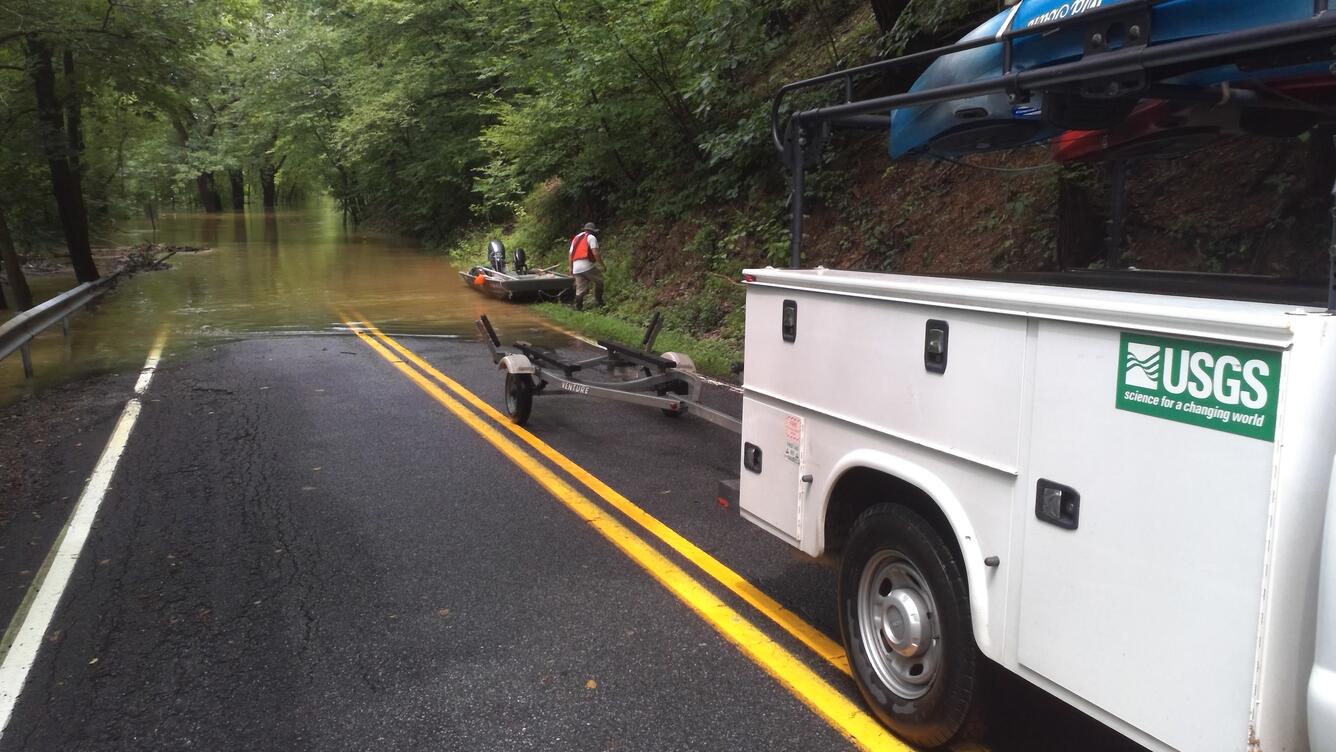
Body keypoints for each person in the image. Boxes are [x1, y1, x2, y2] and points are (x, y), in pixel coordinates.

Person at [568, 222, 605, 310]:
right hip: (586, 265)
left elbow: (570, 254)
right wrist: (602, 265)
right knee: (600, 280)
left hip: (576, 267)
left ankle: (578, 308)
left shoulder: (576, 238)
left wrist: (570, 267)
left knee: (580, 289)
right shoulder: (591, 237)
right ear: (593, 231)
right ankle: (599, 302)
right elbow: (595, 253)